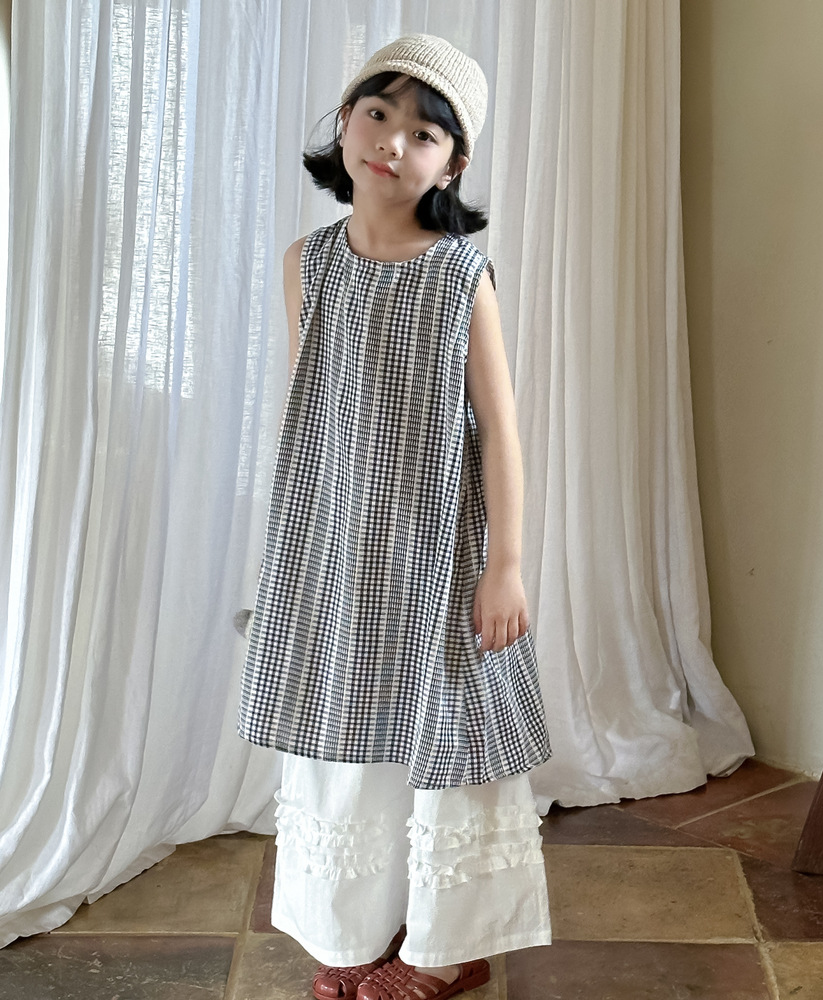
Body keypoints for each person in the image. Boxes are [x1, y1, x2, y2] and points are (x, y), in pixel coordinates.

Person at [237, 34, 552, 1000]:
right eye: (378, 114)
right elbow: (318, 408)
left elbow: (499, 431)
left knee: (442, 733)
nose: (392, 142)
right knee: (341, 726)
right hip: (332, 543)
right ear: (345, 123)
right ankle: (356, 929)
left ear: (451, 164)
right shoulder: (308, 265)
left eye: (424, 133)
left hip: (435, 547)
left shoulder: (461, 276)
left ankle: (447, 948)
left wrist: (504, 564)